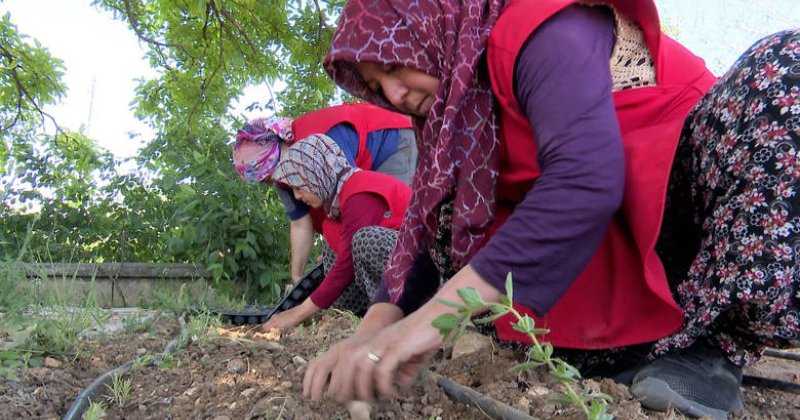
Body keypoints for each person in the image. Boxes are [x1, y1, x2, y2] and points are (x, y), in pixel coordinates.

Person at [300, 0, 800, 418]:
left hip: (683, 229)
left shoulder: (540, 26)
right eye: (375, 84)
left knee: (784, 66)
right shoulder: (450, 112)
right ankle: (618, 351)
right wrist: (371, 333)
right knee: (440, 212)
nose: (393, 94)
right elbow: (424, 229)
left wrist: (432, 319)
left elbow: (587, 179)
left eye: (392, 65)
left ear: (431, 23)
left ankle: (714, 349)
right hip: (585, 272)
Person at [233, 102, 417, 284]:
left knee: (390, 222)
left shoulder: (322, 139)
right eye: (266, 180)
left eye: (271, 172)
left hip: (391, 141)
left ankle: (413, 290)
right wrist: (298, 277)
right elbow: (300, 224)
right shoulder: (284, 179)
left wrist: (340, 249)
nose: (275, 180)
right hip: (362, 170)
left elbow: (352, 197)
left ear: (281, 151)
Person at [258, 134, 412, 330]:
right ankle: (354, 314)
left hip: (425, 265)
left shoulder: (359, 191)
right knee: (331, 246)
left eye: (298, 187)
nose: (297, 196)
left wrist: (298, 313)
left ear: (315, 174)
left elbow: (346, 266)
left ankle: (399, 315)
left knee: (365, 240)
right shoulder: (335, 207)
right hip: (398, 267)